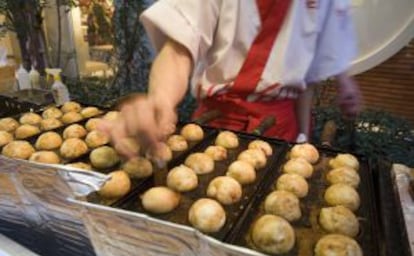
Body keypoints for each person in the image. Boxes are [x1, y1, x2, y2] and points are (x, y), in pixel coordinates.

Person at [101, 0, 361, 159]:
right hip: (217, 122)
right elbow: (179, 49)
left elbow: (315, 62)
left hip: (283, 126)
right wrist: (161, 100)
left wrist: (344, 81)